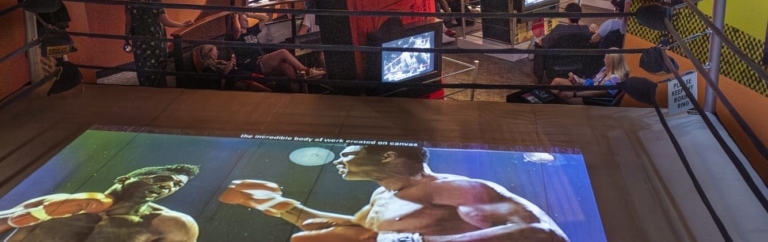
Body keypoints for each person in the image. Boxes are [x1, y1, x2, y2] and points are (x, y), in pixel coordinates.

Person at [219, 144, 569, 241]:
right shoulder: (381, 198)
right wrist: (273, 204)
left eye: (346, 152)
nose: (338, 161)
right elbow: (356, 233)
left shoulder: (453, 188)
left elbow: (544, 234)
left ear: (388, 154)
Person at [0, 164, 199, 242]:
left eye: (176, 186)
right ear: (125, 178)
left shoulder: (174, 224)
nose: (169, 186)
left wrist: (125, 218)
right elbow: (7, 222)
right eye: (163, 178)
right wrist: (37, 215)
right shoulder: (58, 202)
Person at [124, 0, 193, 87]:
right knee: (160, 71)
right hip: (157, 42)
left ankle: (147, 94)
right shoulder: (156, 0)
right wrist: (182, 25)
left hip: (140, 44)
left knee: (144, 71)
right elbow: (165, 21)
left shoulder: (130, 2)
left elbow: (128, 24)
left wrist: (126, 40)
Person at [195, 42, 322, 93]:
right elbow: (218, 88)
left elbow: (264, 18)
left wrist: (231, 64)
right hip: (249, 70)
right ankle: (307, 71)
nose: (216, 52)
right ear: (206, 54)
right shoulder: (208, 69)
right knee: (283, 52)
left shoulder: (220, 62)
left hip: (246, 69)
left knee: (287, 67)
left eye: (216, 50)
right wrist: (228, 70)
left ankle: (299, 95)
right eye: (213, 50)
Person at [550, 49, 630, 104]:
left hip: (591, 100)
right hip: (585, 91)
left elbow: (598, 92)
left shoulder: (616, 78)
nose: (603, 60)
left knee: (561, 94)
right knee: (557, 81)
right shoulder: (605, 70)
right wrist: (579, 79)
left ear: (610, 61)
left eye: (605, 58)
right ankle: (544, 102)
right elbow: (593, 82)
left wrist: (574, 94)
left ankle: (544, 105)